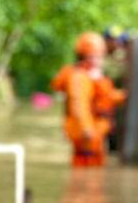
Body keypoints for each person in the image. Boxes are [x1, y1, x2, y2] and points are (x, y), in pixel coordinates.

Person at [50, 32, 126, 167]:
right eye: (97, 55)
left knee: (94, 169)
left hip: (95, 132)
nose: (100, 59)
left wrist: (124, 96)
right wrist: (86, 129)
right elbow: (78, 104)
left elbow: (106, 97)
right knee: (86, 172)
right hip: (87, 135)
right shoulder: (80, 77)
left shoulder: (93, 76)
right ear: (87, 56)